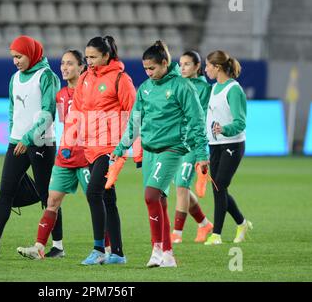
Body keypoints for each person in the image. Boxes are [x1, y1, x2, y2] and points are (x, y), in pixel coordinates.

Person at [112, 41, 209, 268]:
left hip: (172, 150)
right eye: (145, 69)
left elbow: (197, 121)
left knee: (150, 195)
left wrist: (202, 153)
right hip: (149, 152)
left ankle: (156, 249)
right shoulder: (145, 88)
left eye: (152, 68)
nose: (149, 73)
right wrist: (119, 149)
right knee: (159, 202)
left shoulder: (182, 87)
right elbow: (134, 123)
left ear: (165, 63)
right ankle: (167, 255)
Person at [0, 36, 60, 257]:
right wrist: (14, 135)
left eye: (19, 56)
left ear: (32, 53)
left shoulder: (46, 76)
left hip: (41, 142)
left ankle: (58, 246)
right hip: (16, 143)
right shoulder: (15, 78)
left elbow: (49, 113)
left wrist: (27, 138)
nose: (15, 61)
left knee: (49, 196)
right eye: (13, 57)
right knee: (6, 191)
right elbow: (12, 111)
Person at [68, 36, 139, 265]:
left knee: (93, 192)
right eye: (86, 57)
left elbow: (135, 113)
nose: (88, 61)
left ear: (106, 56)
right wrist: (70, 142)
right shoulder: (85, 79)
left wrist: (134, 149)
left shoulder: (121, 79)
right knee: (108, 199)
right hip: (90, 147)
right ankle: (117, 253)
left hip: (111, 148)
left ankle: (99, 249)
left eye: (93, 57)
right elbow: (76, 112)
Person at [16, 50, 92, 260]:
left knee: (96, 202)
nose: (65, 68)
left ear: (81, 67)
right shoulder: (60, 96)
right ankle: (39, 247)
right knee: (52, 202)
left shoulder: (90, 92)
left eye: (70, 64)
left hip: (87, 158)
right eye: (62, 64)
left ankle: (108, 248)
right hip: (65, 157)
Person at [204, 50, 252, 245]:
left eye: (208, 66)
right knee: (218, 187)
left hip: (232, 144)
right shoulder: (214, 88)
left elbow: (241, 122)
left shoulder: (233, 90)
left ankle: (216, 234)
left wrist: (224, 129)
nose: (205, 69)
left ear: (218, 67)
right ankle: (242, 223)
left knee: (220, 186)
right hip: (214, 145)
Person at [171, 51, 214, 244]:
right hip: (175, 143)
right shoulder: (178, 82)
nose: (182, 68)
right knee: (182, 188)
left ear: (198, 66)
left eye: (187, 64)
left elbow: (201, 119)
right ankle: (204, 224)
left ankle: (177, 233)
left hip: (191, 144)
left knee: (181, 186)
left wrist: (200, 150)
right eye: (180, 64)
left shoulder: (204, 88)